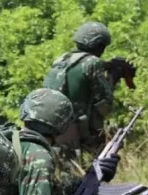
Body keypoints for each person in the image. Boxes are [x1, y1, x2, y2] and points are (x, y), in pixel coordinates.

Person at [43, 22, 117, 169]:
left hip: (56, 128)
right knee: (90, 175)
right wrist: (113, 78)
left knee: (65, 172)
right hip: (80, 132)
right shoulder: (93, 62)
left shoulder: (62, 59)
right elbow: (105, 103)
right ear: (99, 45)